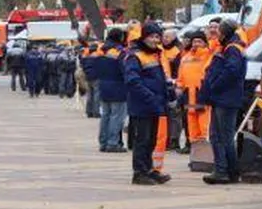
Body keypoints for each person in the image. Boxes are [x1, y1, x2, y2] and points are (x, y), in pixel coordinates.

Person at [122, 25, 174, 184]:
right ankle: (139, 173)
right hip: (142, 105)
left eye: (157, 37)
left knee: (151, 139)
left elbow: (159, 78)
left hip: (155, 104)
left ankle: (149, 169)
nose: (155, 40)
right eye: (151, 37)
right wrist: (150, 97)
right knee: (142, 140)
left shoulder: (155, 55)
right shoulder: (135, 56)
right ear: (144, 37)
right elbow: (133, 81)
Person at [198, 20, 247, 184]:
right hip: (226, 98)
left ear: (225, 33)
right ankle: (230, 171)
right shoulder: (231, 47)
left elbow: (231, 71)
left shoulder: (232, 49)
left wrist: (215, 84)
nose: (216, 34)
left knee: (219, 136)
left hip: (225, 98)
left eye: (219, 31)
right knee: (224, 136)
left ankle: (222, 170)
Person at [90, 29, 129, 153]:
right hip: (118, 86)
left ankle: (103, 142)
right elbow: (125, 70)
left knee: (105, 116)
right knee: (117, 116)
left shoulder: (99, 49)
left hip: (103, 85)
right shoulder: (119, 52)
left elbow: (91, 65)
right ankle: (113, 143)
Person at [177, 33, 212, 153]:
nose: (196, 44)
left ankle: (205, 149)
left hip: (202, 94)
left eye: (199, 41)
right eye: (194, 41)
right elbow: (180, 77)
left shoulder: (209, 55)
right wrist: (179, 88)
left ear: (205, 43)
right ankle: (195, 148)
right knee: (191, 123)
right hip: (189, 95)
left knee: (204, 121)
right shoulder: (185, 58)